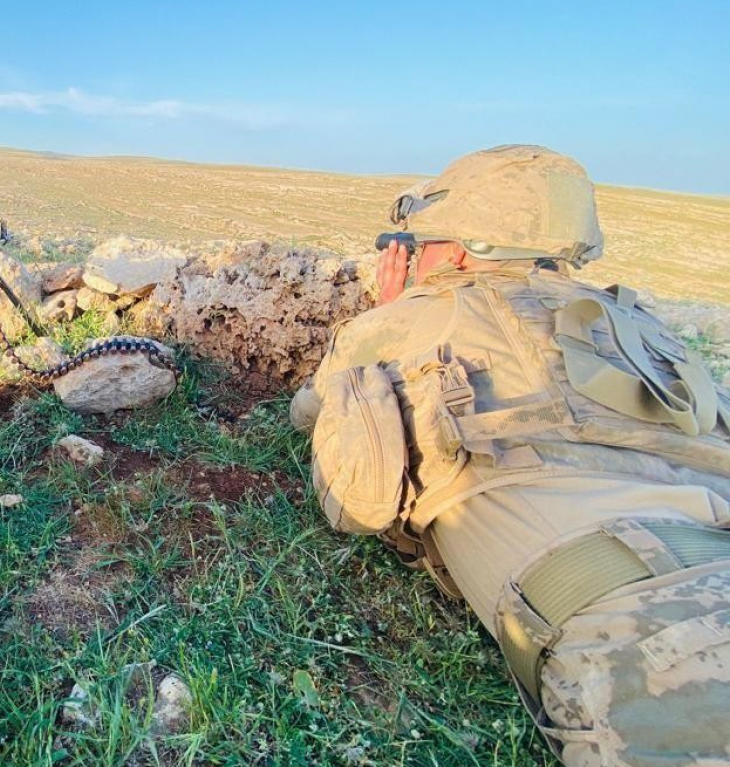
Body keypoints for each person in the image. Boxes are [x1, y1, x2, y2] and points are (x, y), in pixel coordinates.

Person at [291, 145, 730, 767]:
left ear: (458, 249)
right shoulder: (639, 323)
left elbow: (307, 413)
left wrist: (390, 316)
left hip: (644, 612)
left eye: (423, 243)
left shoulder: (418, 314)